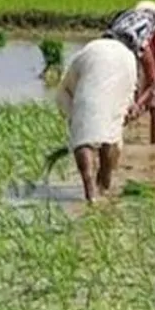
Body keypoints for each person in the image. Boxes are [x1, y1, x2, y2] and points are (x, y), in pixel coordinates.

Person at [55, 37, 138, 203]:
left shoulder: (87, 51)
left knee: (83, 140)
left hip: (87, 91)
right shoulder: (129, 56)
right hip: (118, 91)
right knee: (111, 136)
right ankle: (104, 186)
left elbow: (66, 86)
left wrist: (74, 119)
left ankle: (90, 192)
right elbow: (130, 92)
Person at [102, 0, 155, 144]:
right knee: (138, 89)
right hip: (149, 25)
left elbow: (153, 81)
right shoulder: (108, 43)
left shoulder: (138, 43)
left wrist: (138, 104)